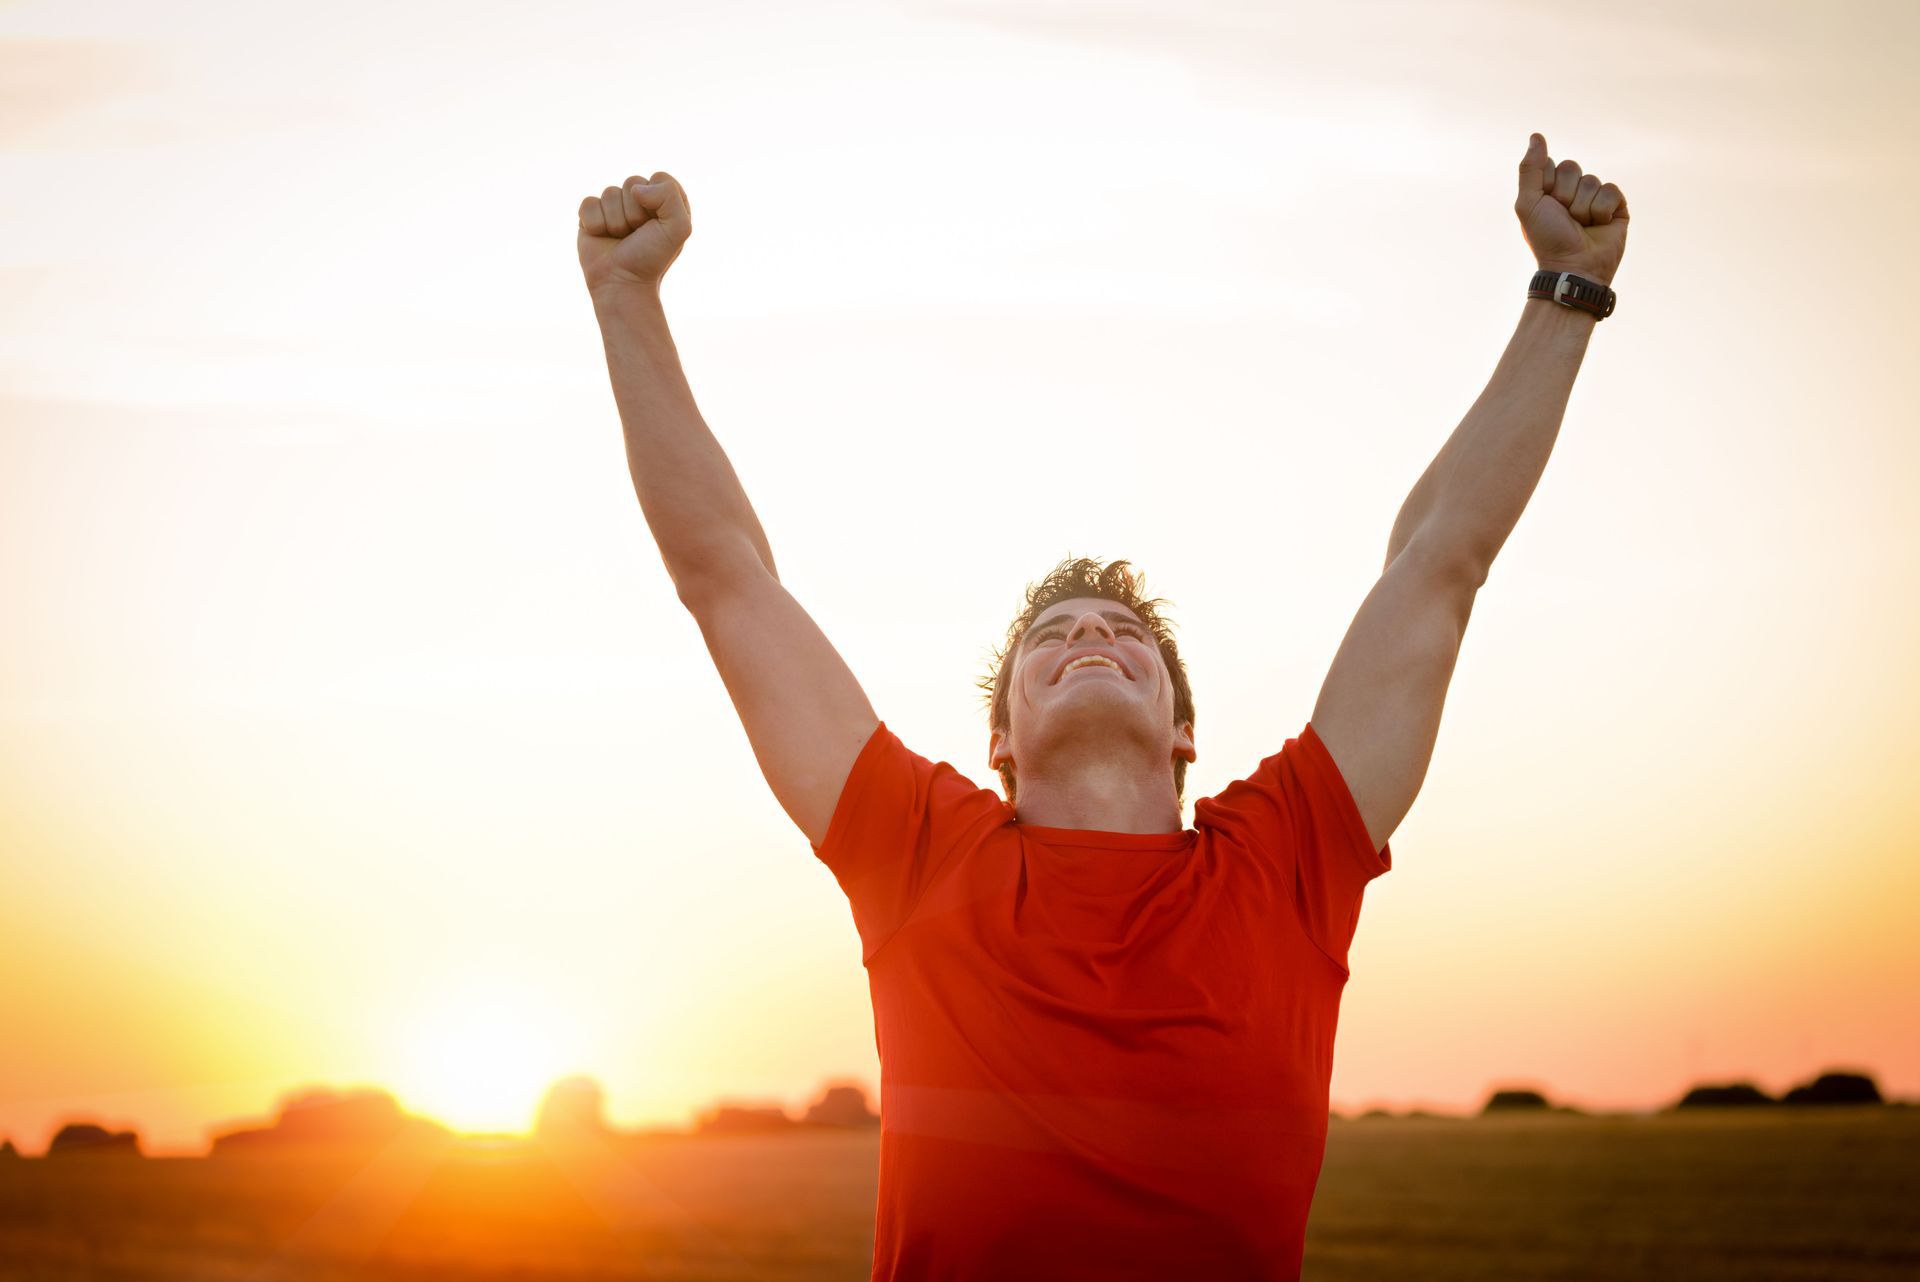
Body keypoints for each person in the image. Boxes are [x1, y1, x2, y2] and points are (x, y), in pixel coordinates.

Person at [575, 132, 1628, 1282]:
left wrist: (1566, 293)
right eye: (1054, 636)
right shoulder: (920, 852)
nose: (1091, 634)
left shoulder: (1286, 860)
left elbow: (1437, 564)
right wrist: (627, 295)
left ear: (1183, 729)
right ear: (1000, 743)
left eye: (1127, 635)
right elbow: (727, 577)